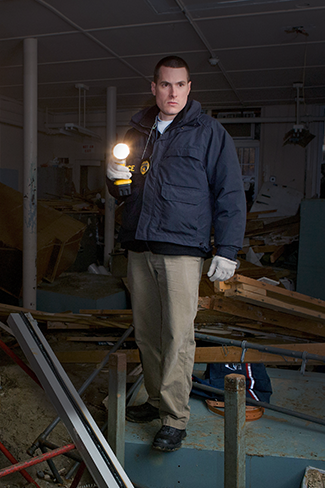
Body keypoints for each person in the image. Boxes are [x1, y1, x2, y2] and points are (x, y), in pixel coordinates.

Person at [106, 56, 246, 452]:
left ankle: (174, 417)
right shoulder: (138, 130)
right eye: (165, 85)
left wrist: (229, 248)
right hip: (140, 244)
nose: (172, 93)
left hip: (182, 250)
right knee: (148, 333)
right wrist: (115, 180)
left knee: (178, 335)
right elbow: (124, 187)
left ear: (189, 87)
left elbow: (230, 193)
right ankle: (155, 400)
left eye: (180, 85)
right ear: (154, 87)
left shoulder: (209, 133)